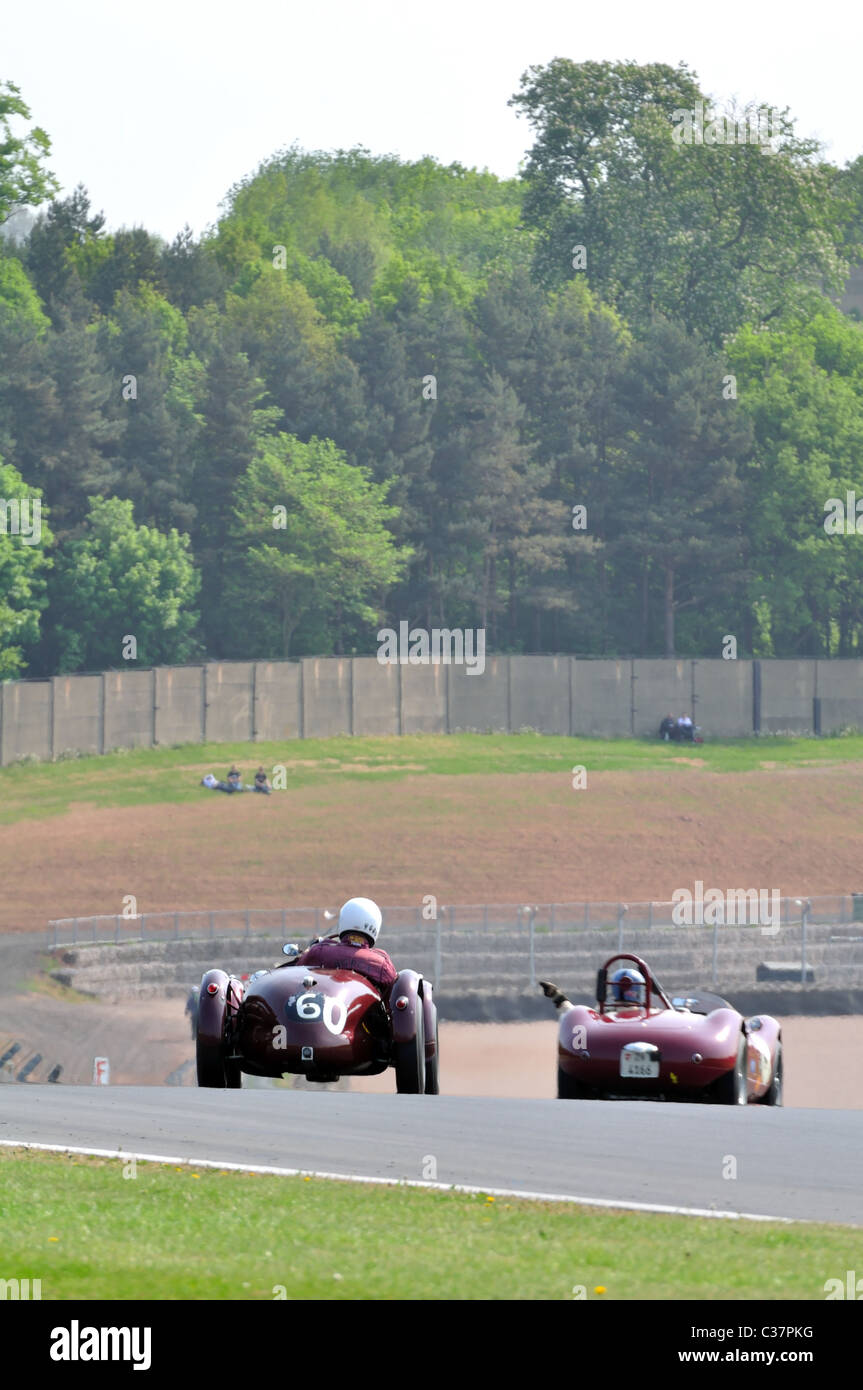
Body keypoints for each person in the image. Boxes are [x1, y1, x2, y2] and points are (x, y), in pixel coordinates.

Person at [289, 898, 398, 1001]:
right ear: (375, 926)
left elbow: (297, 971)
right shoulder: (382, 963)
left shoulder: (320, 951)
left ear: (343, 920)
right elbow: (393, 987)